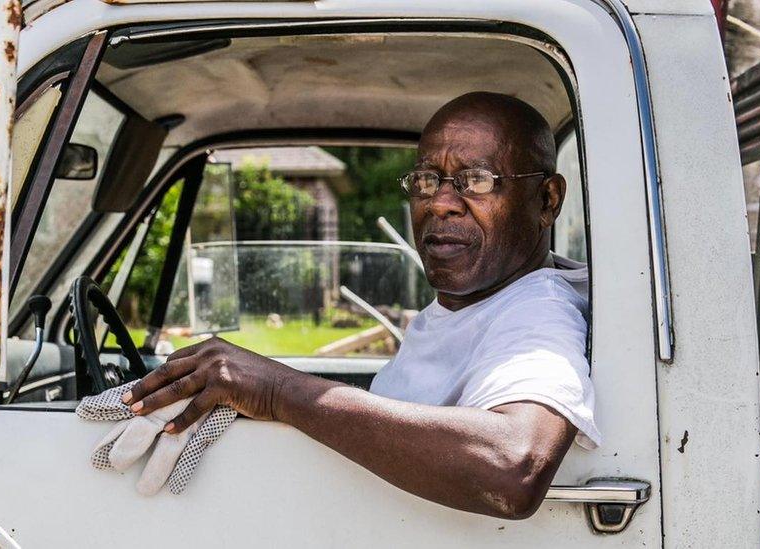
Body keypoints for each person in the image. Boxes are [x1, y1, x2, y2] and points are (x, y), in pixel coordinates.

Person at [122, 92, 599, 519]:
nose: (440, 204)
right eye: (427, 181)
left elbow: (513, 466)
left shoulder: (538, 310)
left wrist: (275, 391)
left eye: (475, 180)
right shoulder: (473, 306)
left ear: (547, 200)